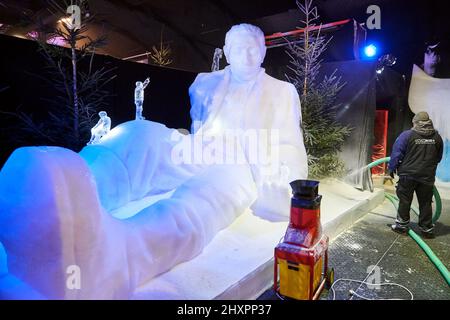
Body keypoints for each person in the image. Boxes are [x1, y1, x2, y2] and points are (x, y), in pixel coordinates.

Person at [388, 111, 443, 238]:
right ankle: (426, 230)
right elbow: (438, 157)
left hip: (408, 174)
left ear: (415, 122)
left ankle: (402, 226)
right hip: (427, 176)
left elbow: (397, 153)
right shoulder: (437, 137)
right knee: (425, 202)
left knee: (405, 200)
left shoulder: (407, 135)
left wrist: (391, 168)